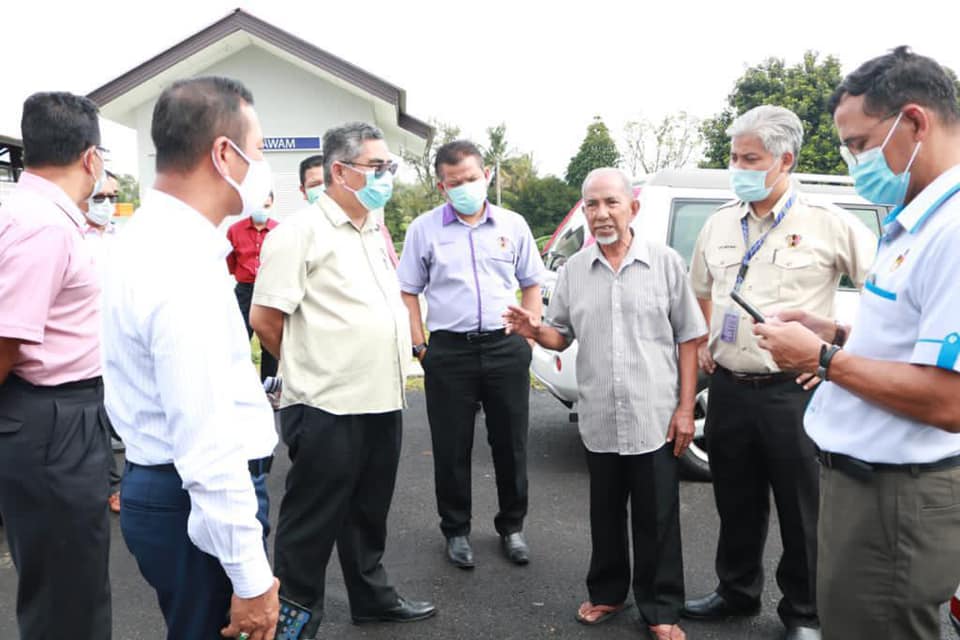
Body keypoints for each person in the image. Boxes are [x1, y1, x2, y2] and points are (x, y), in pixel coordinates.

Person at [755, 46, 960, 640]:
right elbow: (912, 344)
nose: (854, 162)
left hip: (897, 500)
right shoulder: (915, 222)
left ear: (915, 121)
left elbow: (949, 401)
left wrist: (819, 358)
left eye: (861, 144)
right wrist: (838, 333)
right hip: (867, 486)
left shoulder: (951, 231)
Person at [682, 105, 875, 640]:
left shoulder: (828, 223)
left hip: (794, 391)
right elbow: (703, 289)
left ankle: (804, 613)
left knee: (801, 509)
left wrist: (832, 350)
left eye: (750, 158)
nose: (737, 167)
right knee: (735, 500)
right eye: (733, 156)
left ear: (785, 160)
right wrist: (707, 343)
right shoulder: (720, 223)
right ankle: (736, 591)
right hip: (729, 389)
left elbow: (884, 293)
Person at [100, 76, 280, 640]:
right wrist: (251, 580)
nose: (261, 169)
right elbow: (206, 439)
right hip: (192, 503)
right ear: (223, 154)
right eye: (256, 152)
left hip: (168, 493)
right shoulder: (179, 262)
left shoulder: (147, 239)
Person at [251, 122, 435, 637]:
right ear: (340, 171)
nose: (387, 176)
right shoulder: (299, 233)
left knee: (368, 512)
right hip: (326, 405)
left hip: (381, 399)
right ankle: (293, 619)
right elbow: (265, 320)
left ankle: (371, 598)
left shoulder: (372, 227)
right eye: (378, 167)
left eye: (388, 167)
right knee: (310, 522)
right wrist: (313, 367)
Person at [504, 168, 705, 640]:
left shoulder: (665, 263)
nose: (601, 214)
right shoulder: (574, 270)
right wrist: (534, 331)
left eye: (611, 202)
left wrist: (683, 410)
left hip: (654, 414)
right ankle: (608, 593)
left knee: (658, 515)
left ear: (633, 208)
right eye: (592, 205)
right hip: (599, 414)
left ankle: (660, 608)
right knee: (605, 512)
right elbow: (559, 335)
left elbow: (690, 338)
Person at [397, 139, 545, 568]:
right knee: (451, 446)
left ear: (488, 176)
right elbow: (408, 290)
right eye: (455, 182)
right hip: (449, 353)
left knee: (511, 443)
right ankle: (456, 530)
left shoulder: (512, 225)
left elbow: (531, 281)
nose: (466, 187)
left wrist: (529, 335)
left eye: (472, 178)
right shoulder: (423, 230)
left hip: (505, 348)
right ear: (442, 187)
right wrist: (420, 346)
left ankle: (512, 527)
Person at [0, 91, 112, 639]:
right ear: (91, 157)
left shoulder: (29, 211)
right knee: (68, 595)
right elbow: (6, 339)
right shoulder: (44, 225)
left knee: (66, 581)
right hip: (52, 422)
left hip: (54, 417)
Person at [79, 168, 124, 513]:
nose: (107, 204)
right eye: (100, 197)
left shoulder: (120, 237)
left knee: (121, 415)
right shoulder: (72, 237)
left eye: (112, 197)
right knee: (98, 418)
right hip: (85, 344)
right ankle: (112, 484)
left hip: (121, 340)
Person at [227, 191, 279, 385]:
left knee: (270, 339)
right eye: (258, 205)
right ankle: (237, 385)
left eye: (266, 206)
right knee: (239, 338)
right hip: (245, 290)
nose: (262, 210)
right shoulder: (235, 230)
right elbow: (230, 263)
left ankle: (269, 386)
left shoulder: (279, 231)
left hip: (270, 290)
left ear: (272, 204)